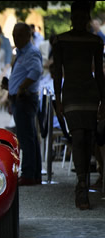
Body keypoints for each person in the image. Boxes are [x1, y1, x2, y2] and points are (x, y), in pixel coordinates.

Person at [52, 1, 105, 210]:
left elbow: (99, 73)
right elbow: (57, 72)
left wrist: (104, 100)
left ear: (87, 19)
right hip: (72, 94)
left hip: (90, 93)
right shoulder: (61, 41)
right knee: (78, 137)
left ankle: (83, 183)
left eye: (84, 18)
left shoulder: (94, 41)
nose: (80, 21)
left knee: (89, 137)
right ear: (72, 18)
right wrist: (58, 99)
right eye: (77, 17)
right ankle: (81, 184)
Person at [2, 22, 43, 186]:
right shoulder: (21, 52)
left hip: (25, 98)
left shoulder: (31, 52)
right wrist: (10, 87)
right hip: (20, 98)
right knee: (29, 137)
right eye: (14, 35)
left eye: (19, 35)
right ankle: (34, 173)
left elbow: (36, 71)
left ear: (28, 35)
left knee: (26, 138)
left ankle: (28, 174)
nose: (15, 38)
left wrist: (21, 87)